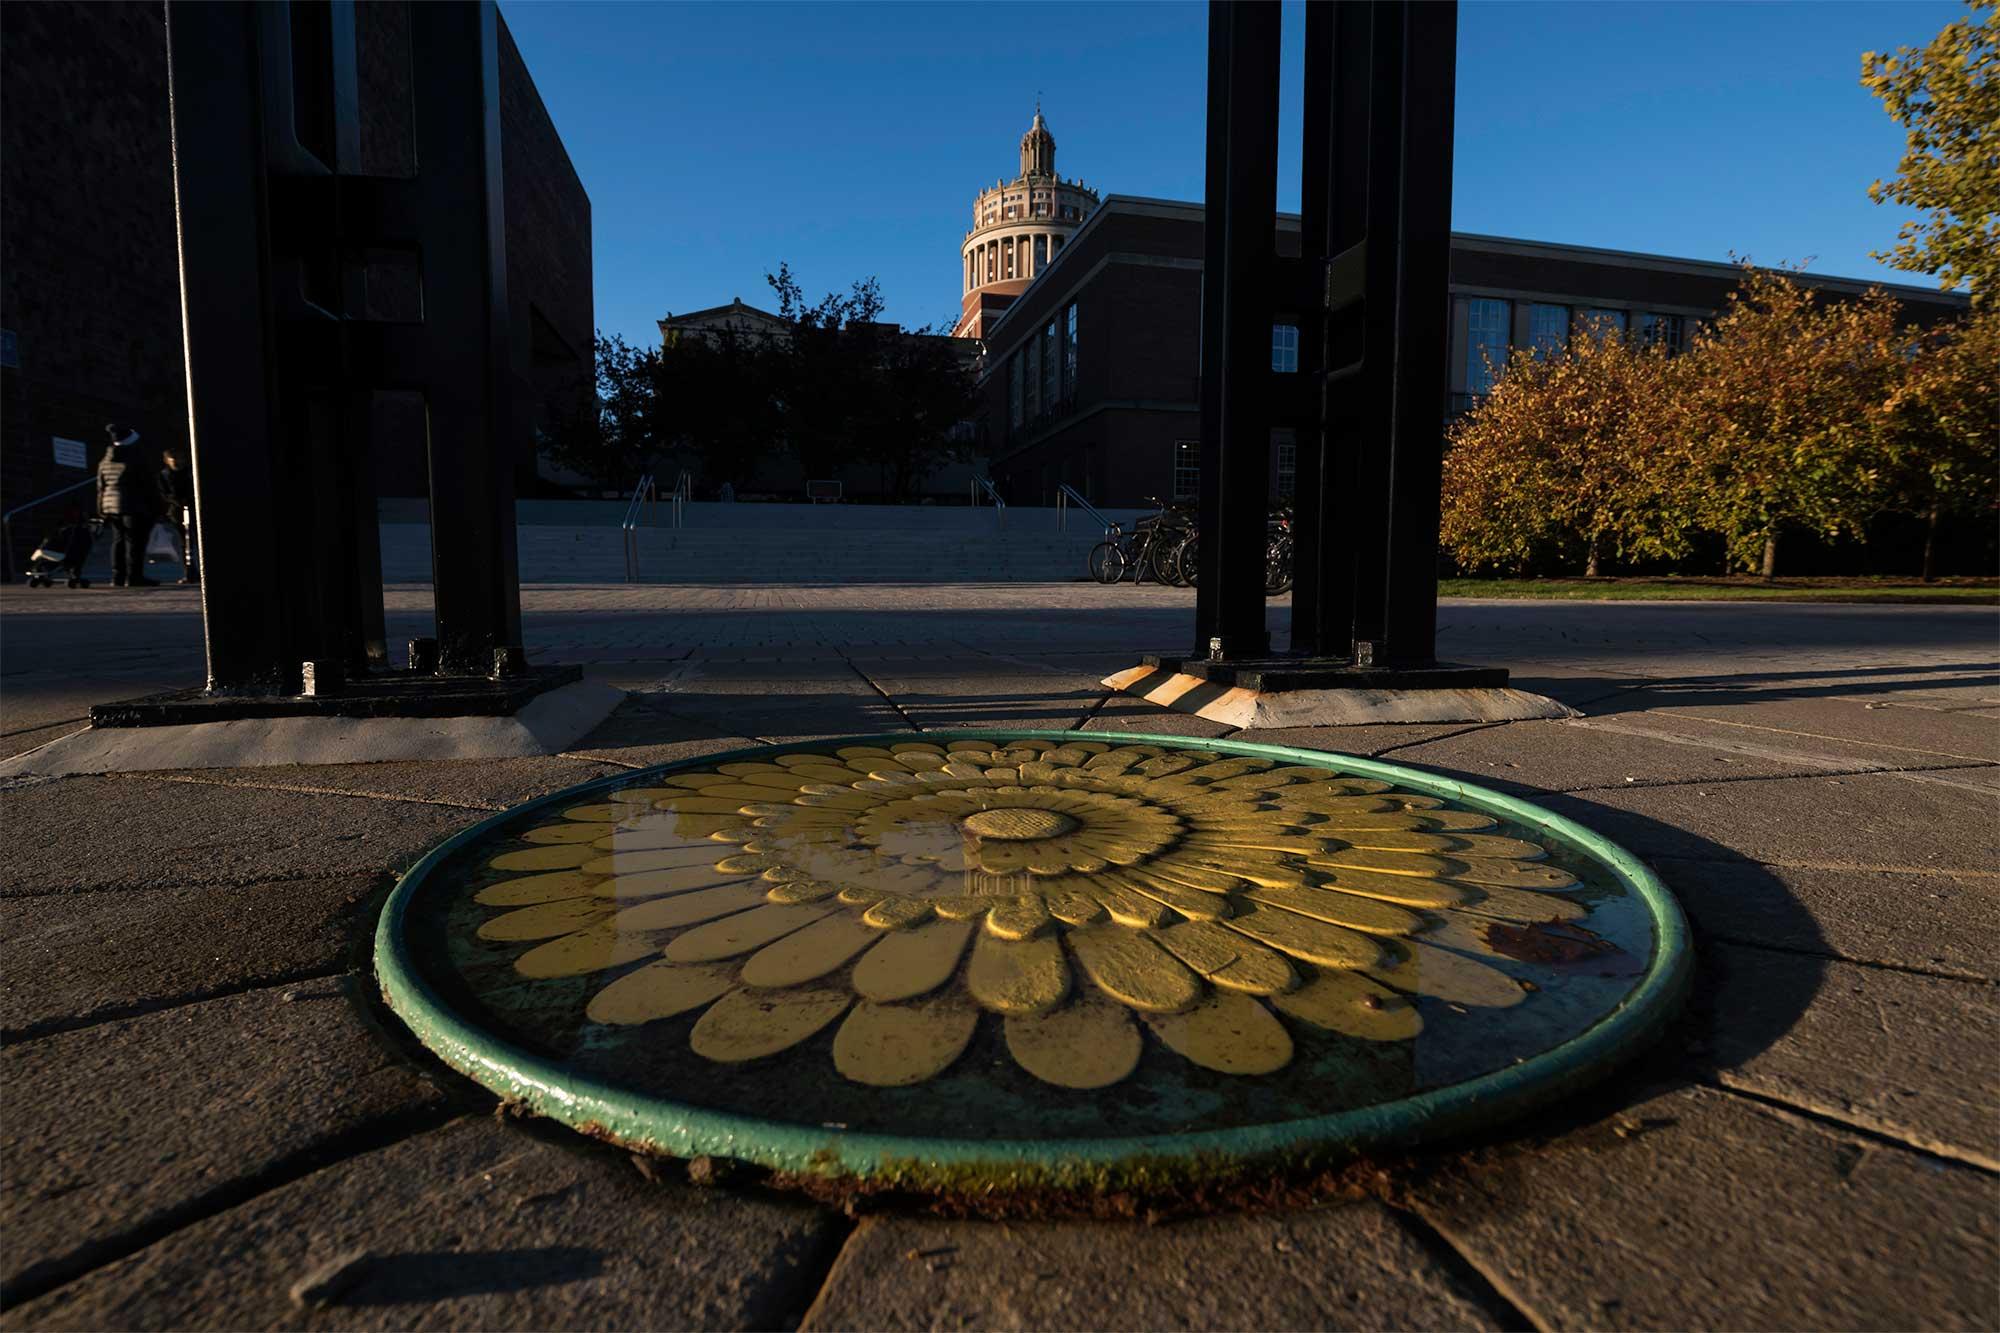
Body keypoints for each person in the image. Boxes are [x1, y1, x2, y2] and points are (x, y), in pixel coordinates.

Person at [96, 423, 158, 587]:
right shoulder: (136, 458)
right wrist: (156, 505)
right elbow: (148, 485)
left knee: (118, 540)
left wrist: (101, 508)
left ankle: (117, 576)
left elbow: (100, 486)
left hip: (110, 505)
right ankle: (134, 577)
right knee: (135, 542)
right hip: (133, 504)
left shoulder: (105, 460)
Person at [159, 446, 197, 583]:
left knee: (196, 540)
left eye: (178, 459)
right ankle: (189, 571)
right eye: (172, 460)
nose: (175, 462)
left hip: (192, 508)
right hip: (177, 511)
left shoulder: (190, 472)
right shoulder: (165, 475)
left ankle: (196, 570)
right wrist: (177, 502)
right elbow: (165, 494)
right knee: (184, 542)